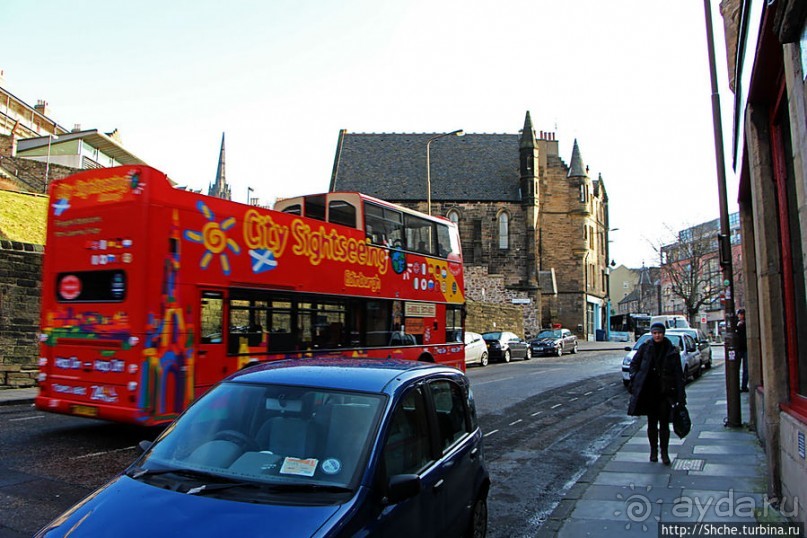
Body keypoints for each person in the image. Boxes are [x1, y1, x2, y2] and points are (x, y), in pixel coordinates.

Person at [627, 322, 686, 465]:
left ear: (663, 333)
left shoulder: (671, 350)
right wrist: (635, 377)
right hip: (649, 393)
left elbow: (679, 375)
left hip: (665, 393)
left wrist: (681, 395)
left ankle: (664, 453)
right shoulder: (645, 348)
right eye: (654, 333)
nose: (657, 335)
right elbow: (634, 364)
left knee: (664, 425)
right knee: (652, 424)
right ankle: (653, 451)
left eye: (659, 333)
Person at [736, 308, 748, 392]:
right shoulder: (736, 323)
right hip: (738, 349)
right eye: (740, 314)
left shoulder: (746, 324)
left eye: (742, 314)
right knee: (736, 368)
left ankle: (744, 386)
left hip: (745, 348)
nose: (741, 316)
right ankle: (737, 386)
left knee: (746, 369)